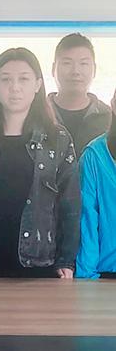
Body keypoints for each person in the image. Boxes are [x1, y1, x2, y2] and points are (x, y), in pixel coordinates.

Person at [0, 47, 80, 278]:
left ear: (37, 85)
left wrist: (66, 260)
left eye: (23, 79)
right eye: (6, 79)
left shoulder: (57, 139)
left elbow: (71, 205)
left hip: (41, 265)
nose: (14, 87)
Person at [48, 33, 111, 157]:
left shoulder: (109, 118)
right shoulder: (36, 114)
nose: (75, 71)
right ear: (53, 68)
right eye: (67, 63)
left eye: (83, 64)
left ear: (94, 70)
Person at [76, 89, 116, 279]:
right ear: (113, 104)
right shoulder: (94, 156)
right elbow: (87, 222)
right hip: (106, 274)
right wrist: (86, 280)